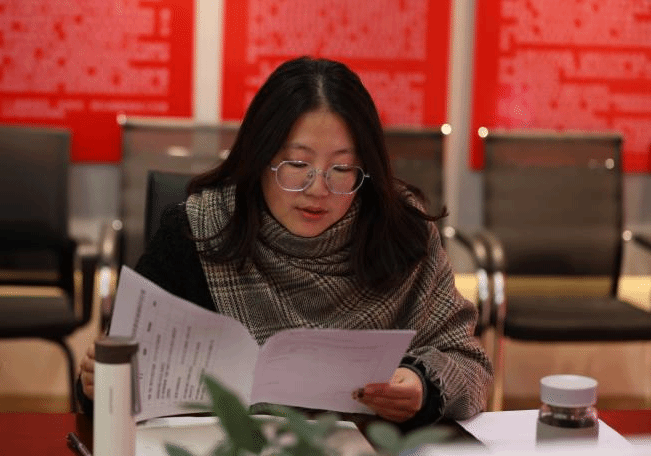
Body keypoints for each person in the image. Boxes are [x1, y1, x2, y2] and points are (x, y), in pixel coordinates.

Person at [78, 56, 492, 428]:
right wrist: (99, 385)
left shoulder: (402, 231)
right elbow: (118, 376)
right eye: (297, 163)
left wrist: (422, 387)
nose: (318, 189)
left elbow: (470, 366)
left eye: (342, 168)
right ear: (260, 159)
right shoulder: (199, 232)